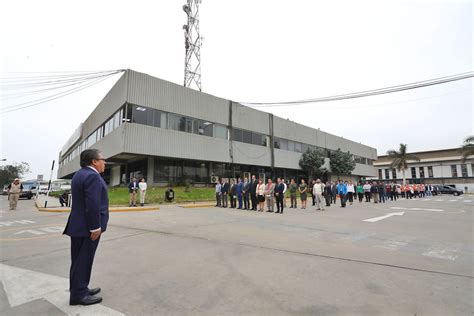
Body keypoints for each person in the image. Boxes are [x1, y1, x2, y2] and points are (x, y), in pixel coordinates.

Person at [63, 149, 109, 306]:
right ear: (94, 161)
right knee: (84, 260)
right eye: (103, 159)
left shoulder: (80, 174)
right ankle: (79, 295)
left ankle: (79, 288)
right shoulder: (92, 176)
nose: (105, 162)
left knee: (78, 261)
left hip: (78, 225)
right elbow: (93, 204)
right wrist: (95, 227)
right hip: (87, 228)